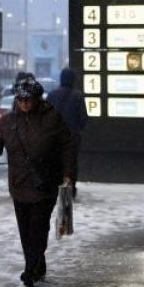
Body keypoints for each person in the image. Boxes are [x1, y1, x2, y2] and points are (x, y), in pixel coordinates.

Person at [0, 74, 75, 287]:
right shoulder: (8, 121)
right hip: (19, 185)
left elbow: (67, 145)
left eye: (28, 99)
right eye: (20, 99)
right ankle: (36, 264)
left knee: (38, 228)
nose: (24, 103)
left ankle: (30, 269)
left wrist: (68, 173)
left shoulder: (51, 118)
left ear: (37, 98)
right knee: (25, 230)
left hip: (45, 183)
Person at [45, 67, 88, 196]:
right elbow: (83, 117)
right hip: (72, 136)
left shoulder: (52, 95)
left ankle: (56, 186)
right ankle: (70, 187)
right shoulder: (78, 96)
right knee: (71, 162)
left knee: (56, 161)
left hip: (55, 137)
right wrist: (77, 128)